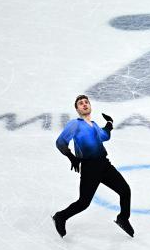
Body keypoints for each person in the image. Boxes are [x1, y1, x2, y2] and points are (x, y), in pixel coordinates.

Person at [52, 94, 134, 238]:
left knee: (125, 190)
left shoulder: (94, 125)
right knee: (83, 203)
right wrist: (71, 157)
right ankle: (60, 217)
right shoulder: (75, 124)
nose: (84, 104)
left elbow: (104, 136)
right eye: (80, 103)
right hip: (90, 168)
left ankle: (123, 218)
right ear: (77, 109)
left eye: (86, 102)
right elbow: (60, 142)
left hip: (104, 165)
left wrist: (109, 123)